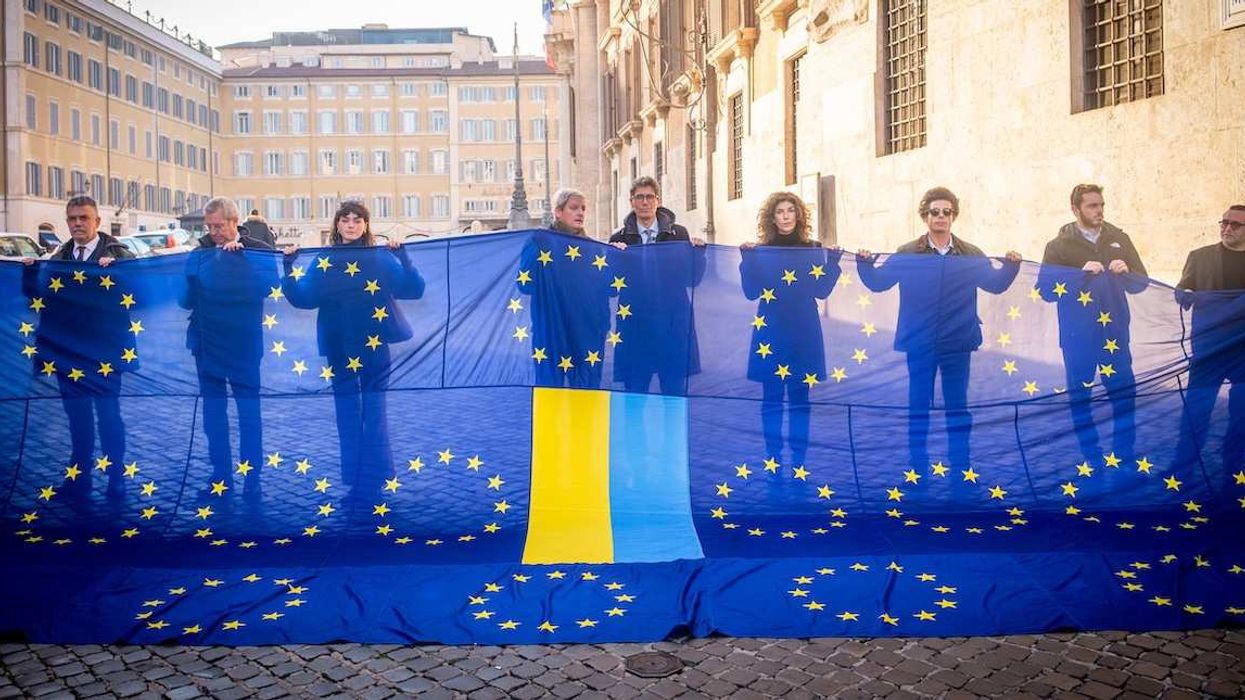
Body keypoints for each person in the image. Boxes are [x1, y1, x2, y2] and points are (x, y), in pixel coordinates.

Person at [856, 186, 1021, 470]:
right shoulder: (908, 253)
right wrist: (863, 263)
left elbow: (995, 284)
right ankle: (917, 463)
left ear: (953, 216)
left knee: (958, 406)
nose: (941, 217)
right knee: (918, 404)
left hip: (958, 341)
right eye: (935, 212)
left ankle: (961, 463)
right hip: (919, 342)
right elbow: (879, 282)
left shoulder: (970, 253)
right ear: (925, 216)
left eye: (947, 212)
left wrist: (1012, 267)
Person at [282, 201, 425, 506]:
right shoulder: (325, 260)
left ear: (365, 225)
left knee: (374, 414)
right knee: (347, 416)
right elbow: (303, 298)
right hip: (339, 347)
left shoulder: (379, 259)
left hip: (374, 349)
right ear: (336, 225)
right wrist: (288, 268)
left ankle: (373, 482)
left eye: (356, 220)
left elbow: (414, 289)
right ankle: (356, 483)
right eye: (344, 220)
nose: (350, 224)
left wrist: (404, 258)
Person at [21, 196, 134, 502]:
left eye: (84, 218)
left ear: (97, 221)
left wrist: (117, 272)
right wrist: (30, 272)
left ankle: (116, 479)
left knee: (109, 416)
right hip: (68, 353)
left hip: (106, 355)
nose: (78, 224)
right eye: (72, 218)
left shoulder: (117, 253)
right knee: (78, 419)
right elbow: (39, 299)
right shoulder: (60, 257)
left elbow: (136, 291)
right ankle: (79, 479)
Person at [1037, 184, 1147, 464]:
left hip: (1115, 333)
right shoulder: (1058, 246)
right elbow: (1046, 290)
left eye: (1101, 205)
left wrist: (1129, 272)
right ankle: (1092, 456)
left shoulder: (1119, 238)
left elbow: (1141, 284)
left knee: (1123, 394)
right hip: (1078, 336)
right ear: (1076, 209)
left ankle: (1124, 453)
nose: (1099, 211)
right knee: (1080, 398)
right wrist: (1078, 275)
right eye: (1092, 206)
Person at [181, 196, 276, 502]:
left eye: (219, 226)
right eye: (209, 226)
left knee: (249, 412)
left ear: (235, 222)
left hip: (243, 343)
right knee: (213, 414)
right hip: (206, 343)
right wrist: (207, 265)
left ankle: (252, 478)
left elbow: (269, 288)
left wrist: (238, 261)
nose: (214, 232)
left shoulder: (258, 251)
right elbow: (185, 299)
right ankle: (220, 476)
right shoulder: (200, 252)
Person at [740, 192, 840, 469]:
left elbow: (820, 290)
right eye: (780, 211)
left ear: (798, 215)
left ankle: (799, 460)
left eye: (790, 211)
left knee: (800, 399)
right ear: (772, 218)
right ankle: (773, 458)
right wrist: (747, 261)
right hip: (770, 330)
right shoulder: (760, 252)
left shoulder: (812, 248)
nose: (785, 216)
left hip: (802, 331)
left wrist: (833, 264)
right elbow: (750, 292)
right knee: (771, 398)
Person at [607, 176, 706, 393]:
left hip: (671, 325)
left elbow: (693, 279)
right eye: (639, 197)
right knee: (635, 395)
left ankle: (672, 429)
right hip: (636, 327)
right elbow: (611, 288)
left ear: (658, 200)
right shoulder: (619, 238)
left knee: (674, 395)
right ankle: (634, 430)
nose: (645, 202)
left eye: (649, 197)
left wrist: (698, 254)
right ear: (632, 202)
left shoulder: (678, 234)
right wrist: (614, 258)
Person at [1173, 205, 1245, 472]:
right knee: (1196, 411)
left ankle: (1234, 472)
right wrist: (1186, 292)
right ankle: (1182, 469)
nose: (1227, 228)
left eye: (1235, 224)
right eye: (1224, 222)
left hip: (1242, 353)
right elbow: (1182, 289)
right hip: (1208, 348)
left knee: (1241, 416)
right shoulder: (1199, 257)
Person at [523, 188, 615, 389]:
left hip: (586, 334)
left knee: (588, 395)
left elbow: (610, 289)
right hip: (550, 331)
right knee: (549, 395)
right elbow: (524, 285)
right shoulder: (539, 242)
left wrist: (618, 257)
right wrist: (535, 253)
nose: (580, 213)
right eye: (574, 208)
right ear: (558, 212)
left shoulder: (594, 249)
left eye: (583, 208)